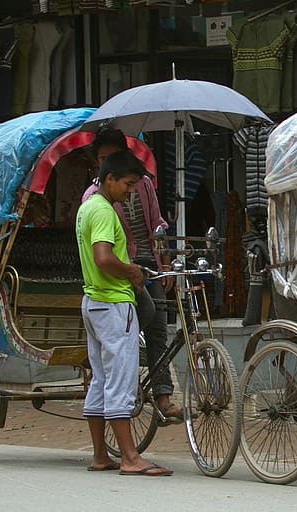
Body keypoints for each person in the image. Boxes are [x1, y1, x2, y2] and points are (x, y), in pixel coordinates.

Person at [76, 150, 172, 476]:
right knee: (121, 380)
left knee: (101, 381)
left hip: (94, 302)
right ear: (110, 179)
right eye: (128, 185)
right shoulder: (102, 210)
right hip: (114, 303)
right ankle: (131, 457)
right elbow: (103, 257)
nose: (131, 192)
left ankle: (101, 455)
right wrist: (132, 271)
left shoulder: (86, 207)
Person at [81, 126, 182, 425]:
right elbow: (102, 254)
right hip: (120, 269)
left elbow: (157, 225)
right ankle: (128, 366)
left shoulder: (142, 184)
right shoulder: (94, 199)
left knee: (159, 329)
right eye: (102, 158)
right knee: (142, 320)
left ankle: (162, 396)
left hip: (147, 259)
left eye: (112, 156)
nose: (107, 163)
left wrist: (163, 265)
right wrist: (128, 271)